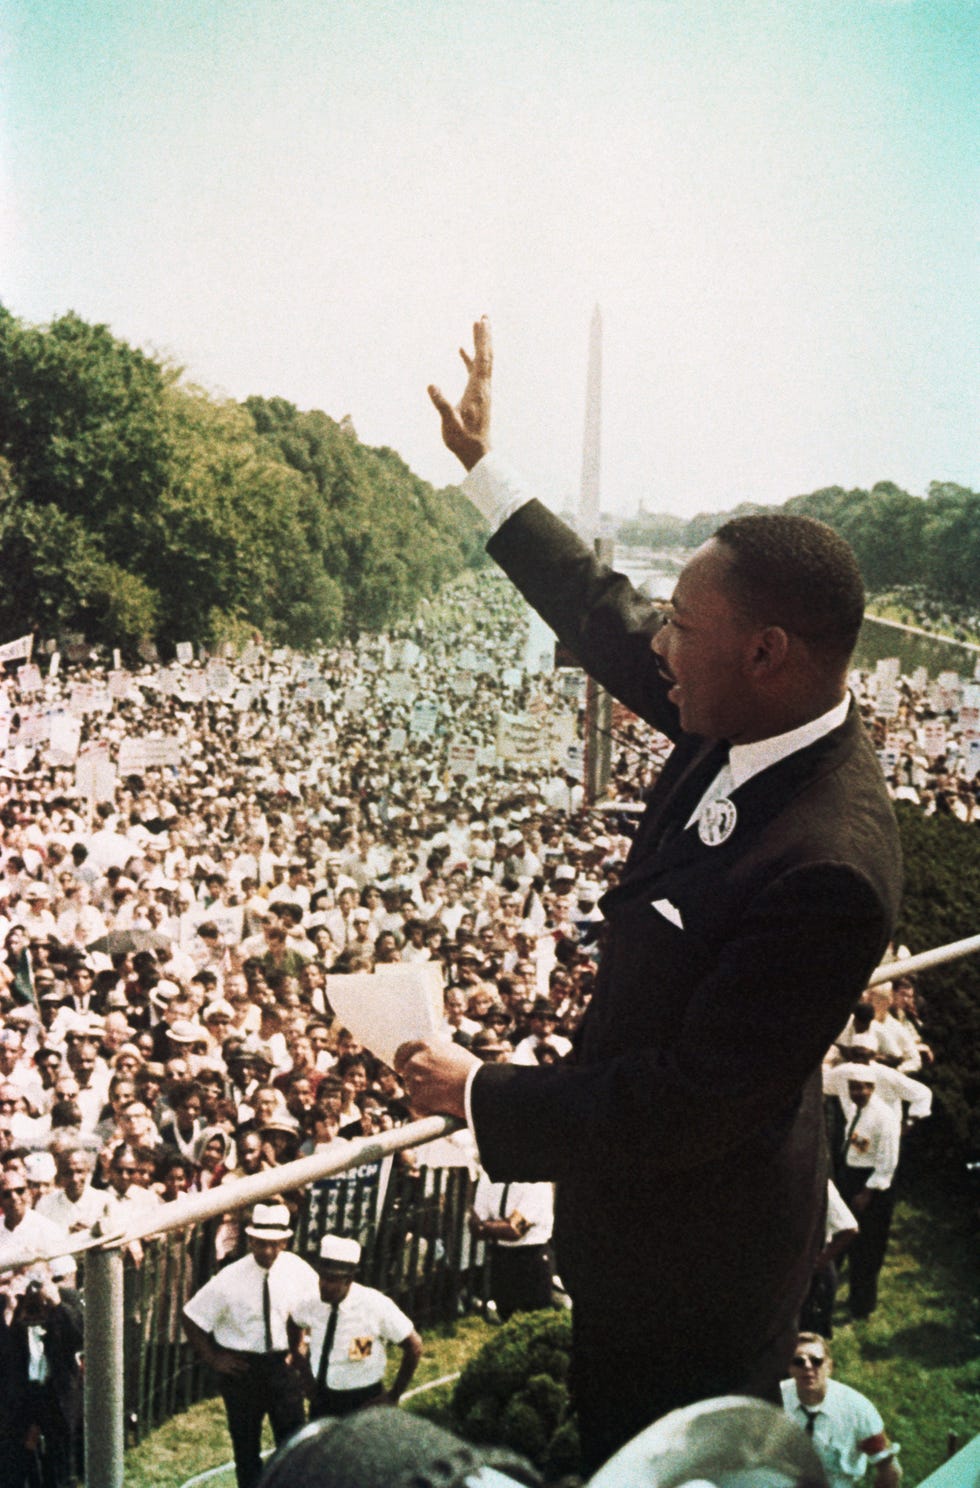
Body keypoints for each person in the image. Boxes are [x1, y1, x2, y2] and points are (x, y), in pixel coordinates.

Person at [399, 317, 903, 1469]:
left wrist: (481, 1095)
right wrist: (484, 470)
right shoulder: (743, 706)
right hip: (644, 1231)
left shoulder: (825, 865)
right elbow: (599, 612)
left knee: (657, 1460)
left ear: (767, 650)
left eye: (684, 625)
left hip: (698, 1274)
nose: (658, 645)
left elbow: (686, 1105)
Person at [182, 1202, 317, 1488]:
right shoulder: (229, 1278)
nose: (267, 1251)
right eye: (260, 1244)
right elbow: (192, 1317)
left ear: (285, 1241)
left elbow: (317, 1308)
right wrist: (214, 1358)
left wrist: (302, 1344)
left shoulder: (299, 1271)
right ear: (250, 1240)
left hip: (284, 1366)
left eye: (274, 1244)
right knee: (245, 1447)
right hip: (243, 1371)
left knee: (292, 1443)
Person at [293, 1235, 421, 1419]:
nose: (323, 1285)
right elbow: (294, 1322)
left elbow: (414, 1346)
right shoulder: (312, 1301)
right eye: (322, 1277)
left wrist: (393, 1395)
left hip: (364, 1399)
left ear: (349, 1279)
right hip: (321, 1397)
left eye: (332, 1280)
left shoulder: (375, 1305)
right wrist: (301, 1362)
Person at [781, 1332, 900, 1487]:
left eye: (816, 1361)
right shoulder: (775, 1398)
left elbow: (888, 1467)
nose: (807, 1366)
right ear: (790, 1368)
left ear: (829, 1366)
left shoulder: (858, 1410)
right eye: (798, 1361)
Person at [470, 1170, 554, 1320]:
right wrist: (492, 1227)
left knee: (534, 1320)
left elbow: (515, 1229)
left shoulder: (537, 1182)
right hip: (500, 1257)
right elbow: (475, 1228)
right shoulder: (488, 1176)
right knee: (505, 1319)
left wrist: (485, 1226)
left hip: (531, 1259)